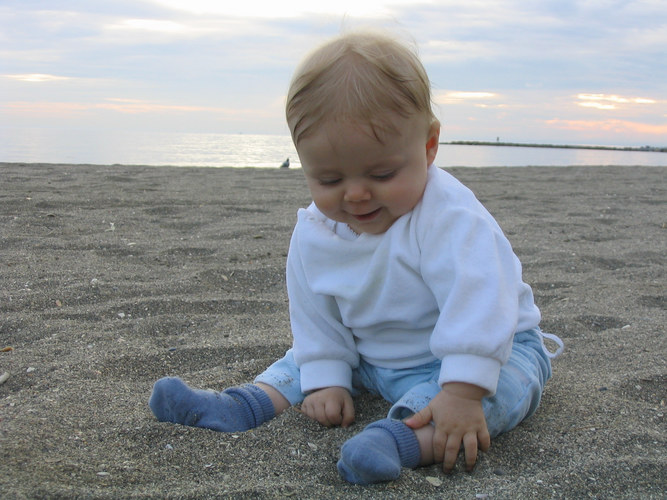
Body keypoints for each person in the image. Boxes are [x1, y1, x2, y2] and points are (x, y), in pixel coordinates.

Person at [149, 30, 563, 485]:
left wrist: (463, 387)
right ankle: (241, 405)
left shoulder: (450, 216)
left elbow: (481, 299)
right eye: (328, 179)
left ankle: (397, 442)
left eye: (382, 173)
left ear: (428, 147)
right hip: (370, 356)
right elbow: (316, 315)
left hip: (489, 348)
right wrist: (326, 376)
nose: (357, 194)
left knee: (498, 393)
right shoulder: (315, 232)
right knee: (298, 361)